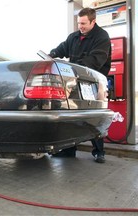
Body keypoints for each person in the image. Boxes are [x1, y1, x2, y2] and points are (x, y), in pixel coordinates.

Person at [49, 7, 111, 163]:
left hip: (94, 82)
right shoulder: (74, 37)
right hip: (75, 80)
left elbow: (96, 60)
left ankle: (99, 151)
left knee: (93, 116)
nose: (80, 27)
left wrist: (77, 68)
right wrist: (52, 55)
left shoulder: (102, 37)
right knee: (72, 114)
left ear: (93, 21)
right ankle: (69, 150)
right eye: (79, 23)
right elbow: (63, 48)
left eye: (84, 23)